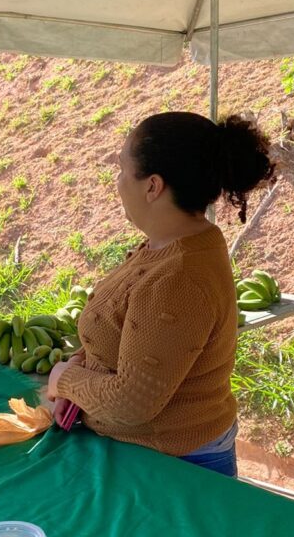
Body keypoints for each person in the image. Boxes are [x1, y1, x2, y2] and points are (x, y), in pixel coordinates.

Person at [47, 111, 274, 476]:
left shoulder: (179, 275)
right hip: (152, 455)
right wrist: (80, 375)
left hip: (175, 465)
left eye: (122, 170)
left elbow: (133, 402)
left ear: (153, 186)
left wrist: (64, 381)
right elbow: (130, 340)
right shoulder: (168, 246)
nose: (117, 182)